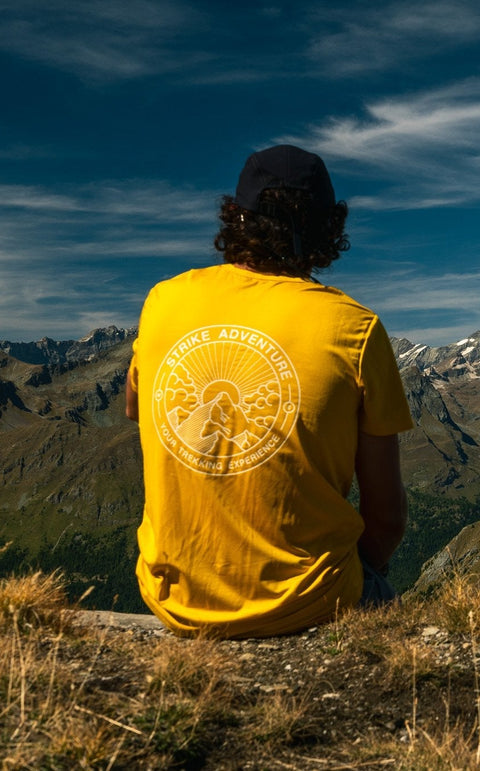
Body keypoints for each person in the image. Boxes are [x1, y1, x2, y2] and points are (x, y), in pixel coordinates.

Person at [125, 144, 414, 638]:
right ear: (330, 228)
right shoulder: (355, 328)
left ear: (235, 217)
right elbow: (386, 519)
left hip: (173, 600)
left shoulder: (163, 300)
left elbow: (137, 409)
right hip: (310, 602)